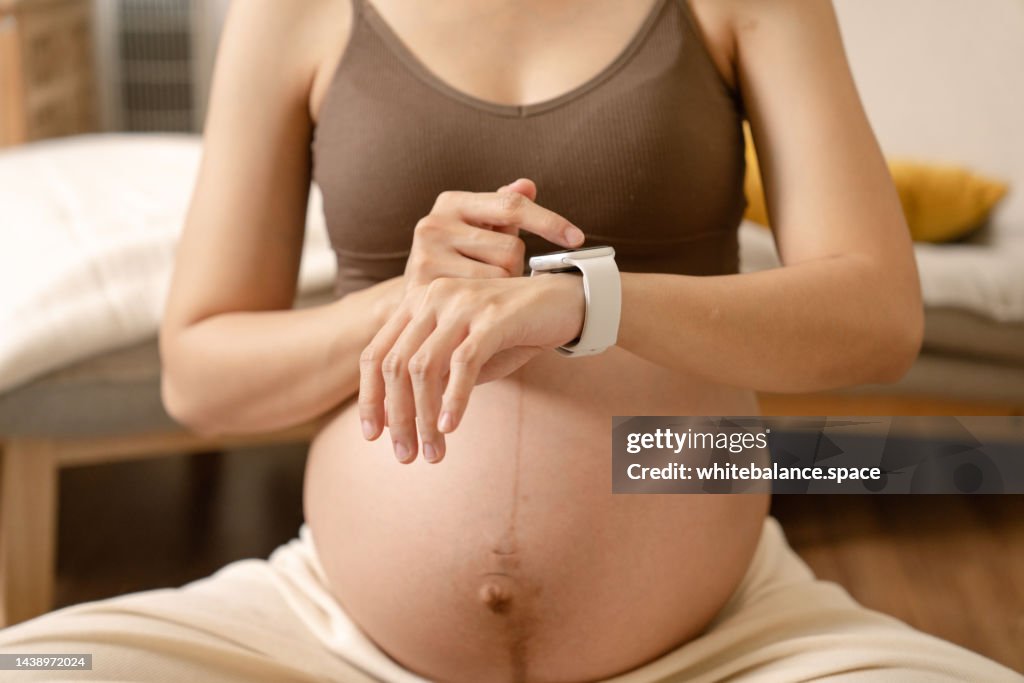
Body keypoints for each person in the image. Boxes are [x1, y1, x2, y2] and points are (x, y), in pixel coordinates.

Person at [1, 0, 1019, 681]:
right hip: (325, 632)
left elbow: (878, 318)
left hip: (732, 637)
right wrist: (409, 300)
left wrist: (584, 300)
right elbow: (198, 375)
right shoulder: (292, 12)